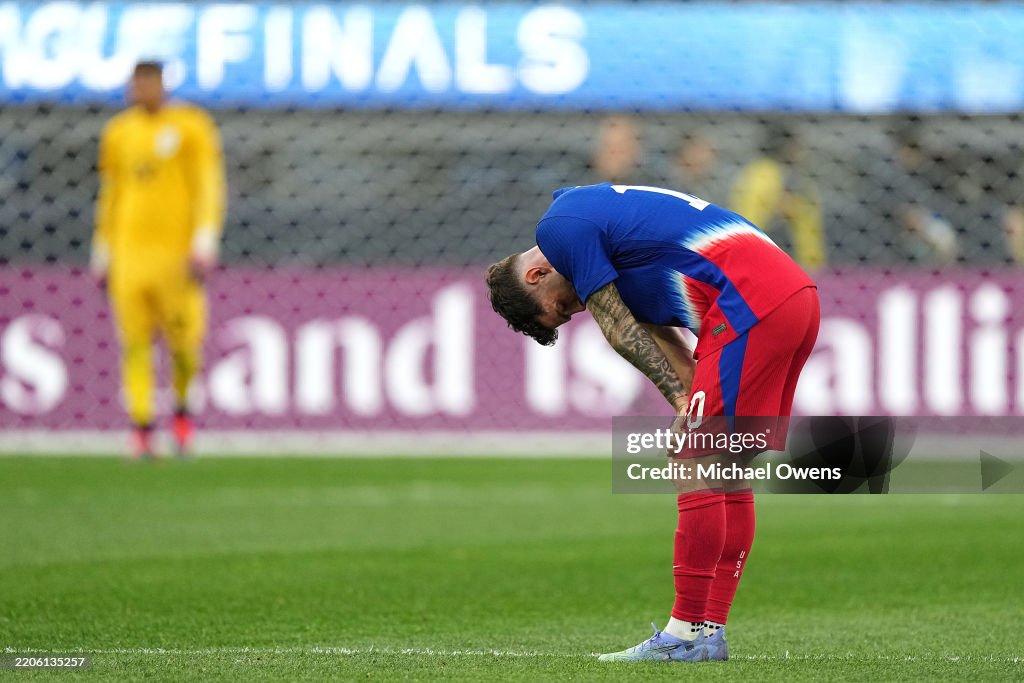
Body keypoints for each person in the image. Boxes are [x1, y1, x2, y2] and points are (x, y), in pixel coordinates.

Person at [486, 182, 818, 662]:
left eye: (560, 308)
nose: (576, 309)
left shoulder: (559, 231)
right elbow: (657, 332)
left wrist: (684, 404)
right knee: (724, 469)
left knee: (696, 461)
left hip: (751, 302)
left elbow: (619, 328)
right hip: (789, 297)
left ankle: (685, 634)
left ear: (537, 273)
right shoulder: (601, 227)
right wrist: (688, 402)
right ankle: (707, 633)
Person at [91, 61, 226, 459]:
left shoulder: (191, 125)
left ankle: (182, 418)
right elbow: (111, 191)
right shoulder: (118, 131)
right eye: (136, 84)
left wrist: (204, 240)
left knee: (184, 347)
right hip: (129, 255)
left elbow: (208, 184)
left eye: (148, 83)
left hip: (177, 256)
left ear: (162, 84)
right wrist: (102, 249)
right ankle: (141, 429)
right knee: (134, 345)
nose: (141, 90)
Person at [730, 122, 826, 270]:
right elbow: (787, 209)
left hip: (751, 250)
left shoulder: (754, 171)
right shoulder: (776, 174)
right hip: (781, 256)